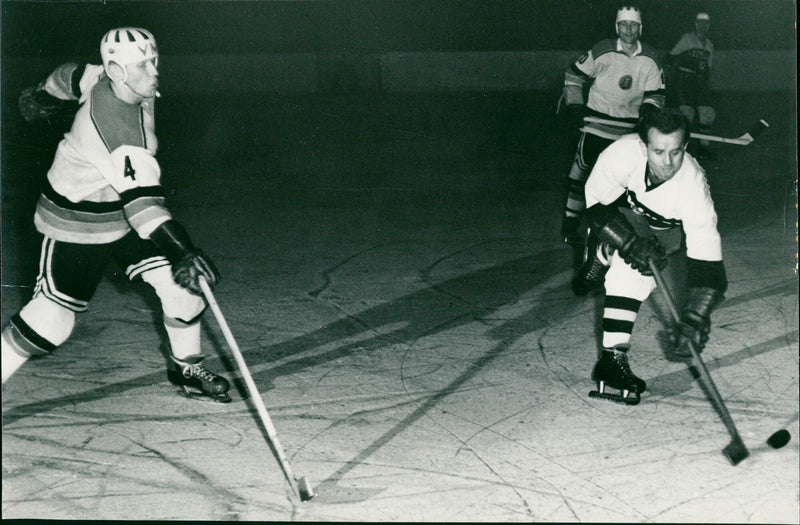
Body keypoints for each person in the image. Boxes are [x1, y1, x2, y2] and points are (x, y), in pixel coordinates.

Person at [2, 28, 230, 402]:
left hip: (120, 216)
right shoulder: (118, 133)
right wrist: (184, 250)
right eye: (143, 65)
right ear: (118, 71)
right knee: (50, 323)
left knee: (184, 291)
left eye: (154, 60)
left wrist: (44, 92)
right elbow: (144, 205)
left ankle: (187, 369)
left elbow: (71, 75)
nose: (154, 72)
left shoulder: (106, 77)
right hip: (76, 223)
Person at [572, 107, 727, 405]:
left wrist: (695, 317)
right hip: (619, 213)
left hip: (664, 230)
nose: (668, 163)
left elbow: (708, 265)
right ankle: (603, 251)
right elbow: (593, 209)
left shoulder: (693, 187)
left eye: (676, 152)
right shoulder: (620, 154)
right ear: (644, 146)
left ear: (685, 146)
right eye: (658, 152)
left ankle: (611, 363)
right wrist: (628, 243)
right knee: (629, 261)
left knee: (641, 270)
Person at [560, 5, 665, 246]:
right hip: (597, 125)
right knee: (580, 174)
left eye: (634, 25)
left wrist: (648, 110)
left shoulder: (650, 58)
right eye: (624, 25)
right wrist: (575, 105)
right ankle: (570, 224)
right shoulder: (602, 49)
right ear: (617, 27)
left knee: (626, 184)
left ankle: (617, 233)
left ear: (641, 28)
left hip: (629, 132)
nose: (629, 30)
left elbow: (657, 94)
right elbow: (573, 76)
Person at [665, 12, 716, 159]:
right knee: (687, 114)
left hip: (701, 83)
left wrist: (708, 86)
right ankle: (680, 148)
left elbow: (708, 69)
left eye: (706, 23)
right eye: (700, 23)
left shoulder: (710, 45)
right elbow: (671, 56)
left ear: (709, 26)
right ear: (696, 24)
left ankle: (704, 149)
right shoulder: (687, 39)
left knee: (707, 113)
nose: (703, 26)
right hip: (686, 81)